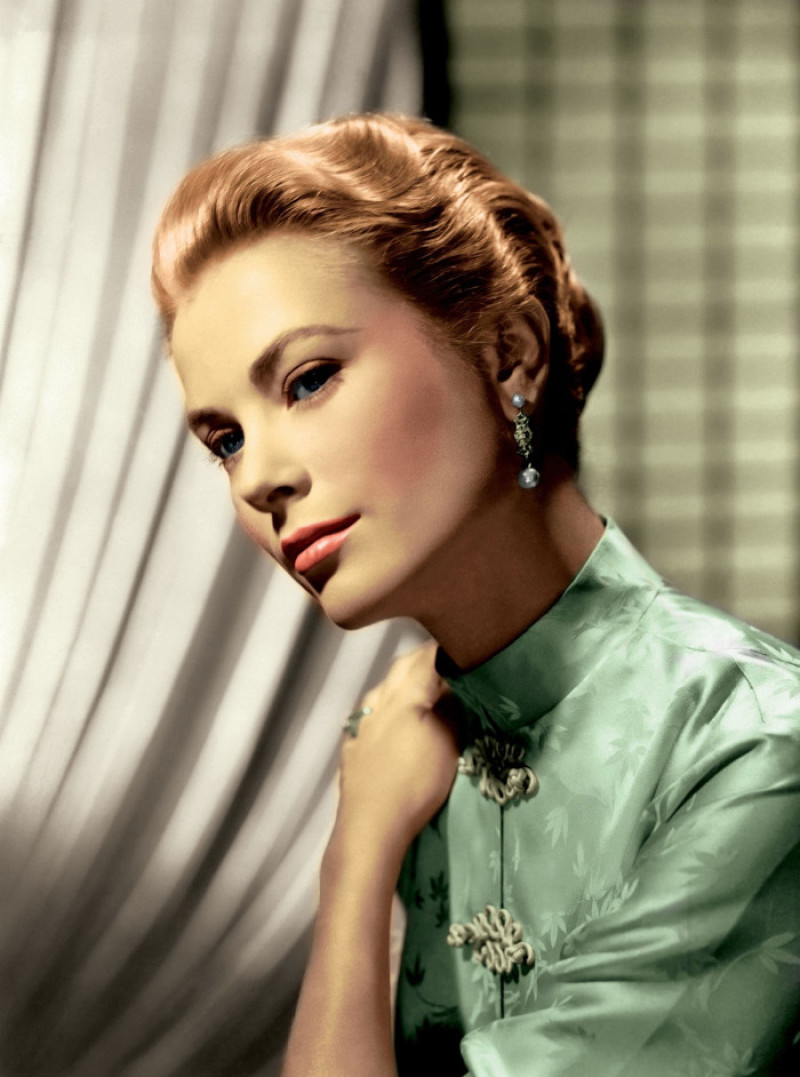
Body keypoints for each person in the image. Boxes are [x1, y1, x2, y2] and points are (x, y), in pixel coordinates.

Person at [151, 113, 800, 1077]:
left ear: (508, 355)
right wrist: (366, 842)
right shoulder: (401, 743)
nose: (257, 479)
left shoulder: (756, 744)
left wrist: (357, 856)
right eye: (225, 440)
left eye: (308, 379)